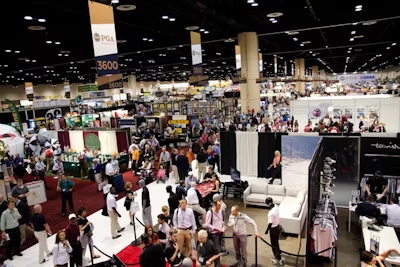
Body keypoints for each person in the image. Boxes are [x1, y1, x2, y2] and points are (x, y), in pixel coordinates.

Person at [265, 197, 284, 266]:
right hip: (278, 227)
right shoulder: (276, 206)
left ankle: (278, 258)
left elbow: (270, 223)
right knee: (276, 242)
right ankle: (278, 252)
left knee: (274, 244)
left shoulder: (271, 213)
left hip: (273, 229)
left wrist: (267, 230)